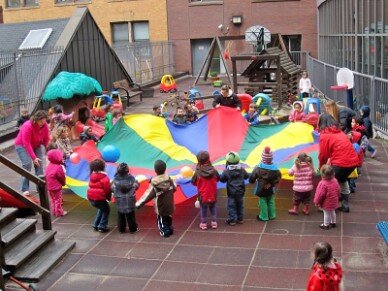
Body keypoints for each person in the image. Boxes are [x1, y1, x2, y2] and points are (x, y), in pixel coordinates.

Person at [318, 113, 359, 213]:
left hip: (341, 163)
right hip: (353, 162)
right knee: (342, 180)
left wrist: (321, 167)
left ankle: (329, 206)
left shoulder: (324, 135)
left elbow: (323, 155)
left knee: (328, 183)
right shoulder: (339, 132)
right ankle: (345, 204)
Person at [136, 160, 176, 237]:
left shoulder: (155, 183)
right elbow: (174, 189)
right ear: (165, 169)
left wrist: (139, 204)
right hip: (170, 204)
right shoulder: (169, 179)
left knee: (161, 219)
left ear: (155, 170)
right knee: (168, 216)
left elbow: (148, 195)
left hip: (161, 206)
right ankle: (170, 229)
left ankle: (164, 232)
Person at [14, 110, 50, 196]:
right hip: (22, 145)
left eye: (44, 121)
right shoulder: (27, 126)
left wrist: (49, 151)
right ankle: (25, 188)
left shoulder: (44, 126)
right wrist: (34, 158)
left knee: (39, 164)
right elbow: (26, 143)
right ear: (36, 119)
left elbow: (46, 139)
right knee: (27, 164)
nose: (43, 123)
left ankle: (40, 187)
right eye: (41, 121)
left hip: (36, 144)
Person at [249, 147, 281, 221]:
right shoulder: (276, 169)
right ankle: (272, 215)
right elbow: (278, 179)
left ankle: (263, 216)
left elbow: (252, 177)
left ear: (263, 158)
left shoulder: (258, 168)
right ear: (271, 159)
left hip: (261, 189)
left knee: (262, 201)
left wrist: (251, 181)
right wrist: (271, 184)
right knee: (271, 200)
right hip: (270, 188)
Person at [191, 151, 220, 230]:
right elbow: (218, 178)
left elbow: (193, 182)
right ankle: (214, 222)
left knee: (203, 208)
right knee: (213, 207)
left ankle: (203, 223)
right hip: (213, 194)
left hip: (202, 195)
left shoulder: (198, 172)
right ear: (208, 159)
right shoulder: (213, 170)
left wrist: (200, 184)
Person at [219, 151, 249, 225]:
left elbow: (222, 179)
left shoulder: (226, 171)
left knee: (231, 206)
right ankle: (240, 219)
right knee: (240, 204)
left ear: (228, 162)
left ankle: (232, 220)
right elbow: (246, 176)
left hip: (231, 192)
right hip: (240, 191)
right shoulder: (242, 169)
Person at [112, 163, 139, 233]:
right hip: (130, 200)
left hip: (119, 201)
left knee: (120, 216)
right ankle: (133, 229)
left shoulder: (115, 180)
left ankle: (121, 229)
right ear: (127, 170)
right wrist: (137, 183)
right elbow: (136, 186)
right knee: (131, 216)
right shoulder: (132, 179)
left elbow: (112, 188)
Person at [87, 159, 112, 233]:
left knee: (102, 209)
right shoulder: (105, 178)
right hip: (99, 198)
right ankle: (102, 226)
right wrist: (108, 197)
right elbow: (107, 189)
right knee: (106, 210)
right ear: (103, 167)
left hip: (91, 198)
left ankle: (96, 224)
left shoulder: (92, 175)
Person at [313, 165, 340, 229]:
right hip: (334, 200)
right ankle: (333, 222)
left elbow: (319, 194)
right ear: (333, 173)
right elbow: (338, 189)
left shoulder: (323, 183)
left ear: (322, 174)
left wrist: (316, 202)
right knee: (333, 211)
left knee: (326, 213)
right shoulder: (335, 180)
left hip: (326, 202)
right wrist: (337, 196)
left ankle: (326, 225)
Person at [45, 149, 67, 217]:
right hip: (56, 187)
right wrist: (63, 183)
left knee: (53, 199)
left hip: (49, 186)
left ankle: (54, 210)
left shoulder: (48, 166)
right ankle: (59, 212)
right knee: (58, 200)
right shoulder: (58, 167)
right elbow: (61, 177)